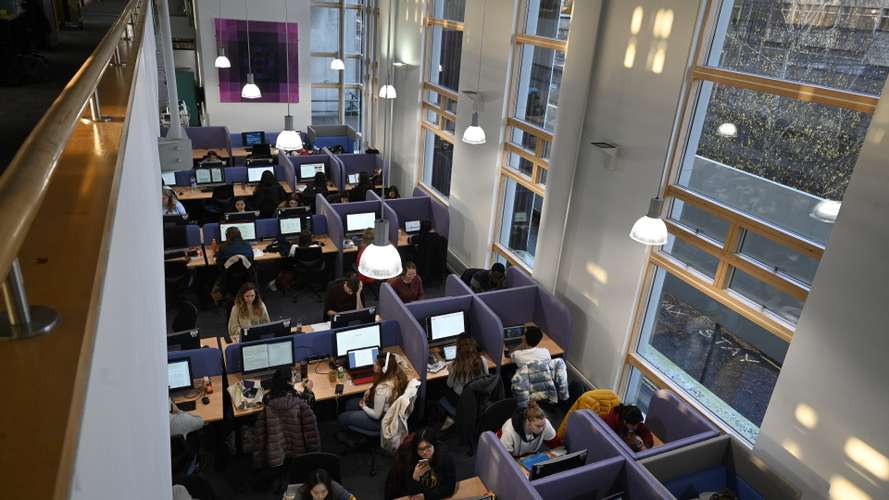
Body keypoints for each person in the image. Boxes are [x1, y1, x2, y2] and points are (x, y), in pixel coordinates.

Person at [337, 351, 407, 433]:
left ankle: (350, 437)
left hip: (379, 420)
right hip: (379, 407)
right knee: (349, 404)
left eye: (376, 363)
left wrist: (364, 407)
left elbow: (376, 415)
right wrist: (371, 389)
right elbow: (396, 357)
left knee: (342, 418)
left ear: (383, 369)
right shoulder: (395, 374)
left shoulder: (382, 389)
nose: (373, 363)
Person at [384, 428, 457, 500]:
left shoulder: (444, 456)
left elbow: (449, 488)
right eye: (420, 449)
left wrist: (426, 496)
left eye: (428, 447)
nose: (425, 452)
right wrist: (415, 478)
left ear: (434, 445)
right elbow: (411, 492)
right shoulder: (411, 459)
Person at [441, 336, 488, 431]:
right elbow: (486, 378)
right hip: (480, 398)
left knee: (441, 388)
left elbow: (449, 384)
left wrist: (450, 370)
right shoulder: (482, 360)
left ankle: (452, 417)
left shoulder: (455, 366)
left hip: (462, 401)